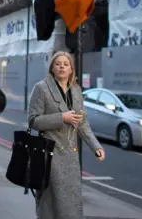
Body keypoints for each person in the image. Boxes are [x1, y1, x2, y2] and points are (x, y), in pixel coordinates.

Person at [28, 51, 105, 219]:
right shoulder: (41, 88)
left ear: (71, 69)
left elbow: (82, 123)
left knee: (71, 204)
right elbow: (33, 121)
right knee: (50, 204)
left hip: (71, 157)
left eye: (66, 64)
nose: (62, 66)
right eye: (58, 64)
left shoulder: (76, 91)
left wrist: (96, 146)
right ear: (52, 68)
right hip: (49, 154)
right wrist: (62, 118)